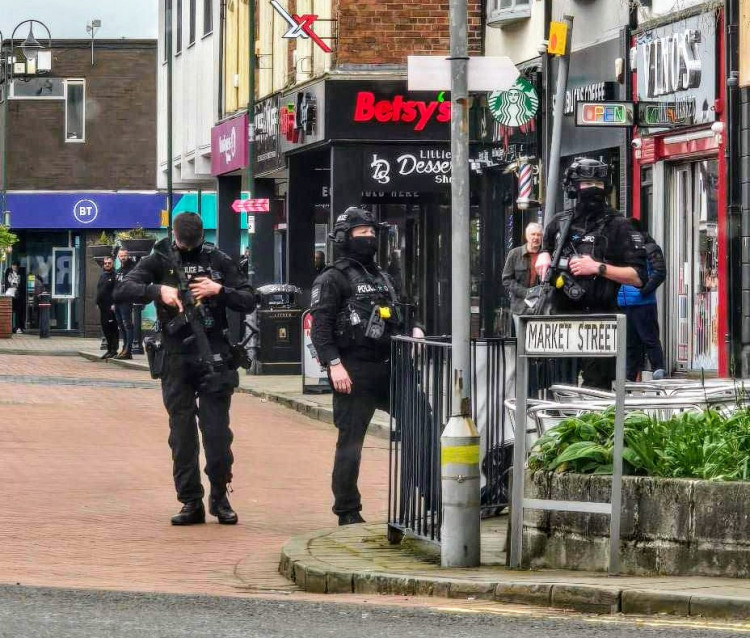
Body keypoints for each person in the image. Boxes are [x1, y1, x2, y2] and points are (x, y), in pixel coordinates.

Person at [114, 213, 256, 525]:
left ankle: (219, 496)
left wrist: (219, 290)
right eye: (182, 243)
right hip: (176, 356)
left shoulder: (217, 260)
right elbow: (121, 290)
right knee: (182, 436)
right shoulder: (159, 259)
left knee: (217, 435)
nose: (186, 247)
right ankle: (191, 501)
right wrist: (157, 291)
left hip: (214, 355)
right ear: (175, 237)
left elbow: (249, 299)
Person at [310, 207, 410, 526]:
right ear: (343, 238)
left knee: (424, 425)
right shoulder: (332, 277)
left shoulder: (383, 276)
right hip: (353, 370)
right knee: (351, 443)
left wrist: (414, 329)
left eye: (371, 233)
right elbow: (320, 325)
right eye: (361, 233)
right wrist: (334, 364)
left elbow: (402, 310)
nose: (369, 238)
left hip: (391, 367)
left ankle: (434, 498)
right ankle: (347, 510)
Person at [535, 157, 648, 389]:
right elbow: (544, 250)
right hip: (561, 320)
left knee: (595, 393)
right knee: (558, 388)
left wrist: (598, 268)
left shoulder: (619, 225)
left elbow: (638, 277)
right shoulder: (559, 222)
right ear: (574, 187)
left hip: (600, 320)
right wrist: (544, 255)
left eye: (597, 184)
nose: (592, 189)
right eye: (586, 184)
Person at [617, 220, 667, 381]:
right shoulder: (621, 250)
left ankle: (658, 370)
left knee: (649, 338)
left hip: (643, 303)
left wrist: (643, 290)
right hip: (624, 303)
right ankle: (630, 378)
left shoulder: (650, 248)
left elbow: (659, 272)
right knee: (630, 343)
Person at [502, 222, 543, 321]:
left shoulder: (546, 255)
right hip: (520, 308)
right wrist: (526, 293)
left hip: (542, 308)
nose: (536, 237)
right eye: (533, 234)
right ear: (527, 236)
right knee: (521, 336)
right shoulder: (515, 254)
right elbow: (506, 280)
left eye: (539, 235)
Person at [95, 256, 120, 359]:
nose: (107, 265)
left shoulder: (115, 275)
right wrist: (97, 302)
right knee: (105, 329)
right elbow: (100, 290)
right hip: (102, 307)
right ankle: (109, 349)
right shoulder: (103, 275)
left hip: (111, 307)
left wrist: (114, 303)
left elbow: (116, 290)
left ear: (113, 263)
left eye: (109, 263)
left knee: (112, 328)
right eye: (105, 263)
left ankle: (114, 350)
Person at [113, 248, 135, 360]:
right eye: (121, 256)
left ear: (128, 256)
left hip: (126, 301)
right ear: (118, 257)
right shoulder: (118, 270)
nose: (123, 258)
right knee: (121, 326)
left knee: (127, 325)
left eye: (125, 255)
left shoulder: (132, 269)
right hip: (117, 302)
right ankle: (124, 348)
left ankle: (128, 350)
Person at [4, 262, 22, 334]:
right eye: (13, 266)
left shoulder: (19, 274)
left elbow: (18, 283)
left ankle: (17, 327)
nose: (14, 267)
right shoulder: (9, 273)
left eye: (15, 266)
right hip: (10, 293)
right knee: (10, 311)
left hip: (16, 295)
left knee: (17, 311)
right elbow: (9, 282)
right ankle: (10, 327)